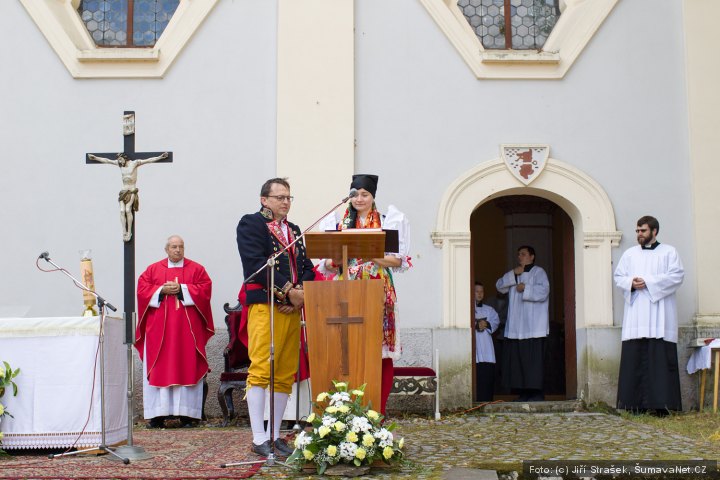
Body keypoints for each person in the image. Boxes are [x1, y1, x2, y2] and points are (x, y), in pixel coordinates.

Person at [318, 174, 412, 415]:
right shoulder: (339, 224)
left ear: (373, 197)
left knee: (379, 353)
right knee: (347, 352)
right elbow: (326, 264)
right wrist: (336, 260)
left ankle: (377, 412)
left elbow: (397, 261)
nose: (359, 199)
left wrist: (370, 253)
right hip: (346, 290)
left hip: (378, 291)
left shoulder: (387, 222)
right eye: (355, 194)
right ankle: (345, 411)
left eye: (364, 194)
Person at [236, 178, 315, 458]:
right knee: (261, 368)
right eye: (280, 197)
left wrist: (298, 295)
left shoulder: (294, 230)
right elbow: (255, 265)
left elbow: (307, 266)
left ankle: (274, 434)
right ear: (264, 199)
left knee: (283, 373)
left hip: (290, 309)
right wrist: (288, 293)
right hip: (265, 305)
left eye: (288, 197)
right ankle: (258, 436)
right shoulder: (251, 223)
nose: (285, 202)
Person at [136, 235, 214, 428]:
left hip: (187, 332)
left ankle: (188, 415)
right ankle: (158, 415)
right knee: (159, 368)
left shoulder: (197, 269)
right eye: (173, 247)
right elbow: (142, 290)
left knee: (187, 366)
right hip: (159, 332)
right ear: (166, 249)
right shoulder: (153, 270)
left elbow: (205, 290)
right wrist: (160, 290)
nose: (178, 250)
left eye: (181, 246)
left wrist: (182, 289)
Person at [614, 215, 684, 414]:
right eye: (637, 231)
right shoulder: (629, 254)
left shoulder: (669, 252)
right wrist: (631, 283)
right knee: (635, 358)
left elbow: (677, 276)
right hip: (636, 315)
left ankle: (662, 406)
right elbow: (619, 277)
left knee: (659, 359)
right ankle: (634, 405)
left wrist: (649, 282)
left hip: (660, 315)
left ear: (654, 231)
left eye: (643, 230)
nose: (639, 234)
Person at [495, 245, 549, 401]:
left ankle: (536, 394)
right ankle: (523, 393)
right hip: (516, 328)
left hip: (533, 327)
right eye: (519, 254)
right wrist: (513, 273)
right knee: (518, 363)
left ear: (532, 256)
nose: (520, 257)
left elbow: (544, 291)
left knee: (533, 363)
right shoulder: (515, 273)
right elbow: (499, 286)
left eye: (523, 254)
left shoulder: (539, 272)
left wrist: (526, 287)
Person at [87, 151, 169, 241]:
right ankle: (124, 231)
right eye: (119, 160)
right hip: (123, 191)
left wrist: (160, 157)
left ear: (125, 158)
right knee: (122, 211)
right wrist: (95, 158)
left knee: (127, 209)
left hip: (131, 191)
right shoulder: (120, 164)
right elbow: (107, 160)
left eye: (121, 159)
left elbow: (148, 160)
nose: (120, 162)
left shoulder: (134, 163)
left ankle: (129, 232)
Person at [473, 283, 500, 402]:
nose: (479, 294)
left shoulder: (489, 310)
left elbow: (496, 321)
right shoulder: (467, 309)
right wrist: (475, 325)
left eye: (482, 291)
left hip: (486, 347)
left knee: (487, 376)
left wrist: (487, 324)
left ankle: (487, 400)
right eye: (477, 291)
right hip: (475, 346)